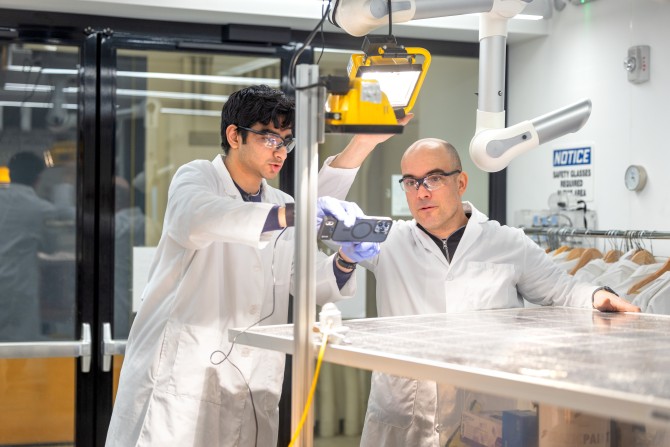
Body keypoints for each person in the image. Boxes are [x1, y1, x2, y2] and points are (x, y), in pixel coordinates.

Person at [105, 85, 395, 447]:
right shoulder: (197, 177)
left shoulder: (279, 200)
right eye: (270, 138)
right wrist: (289, 214)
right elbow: (195, 219)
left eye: (286, 141)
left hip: (253, 378)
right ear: (234, 136)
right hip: (183, 377)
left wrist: (346, 259)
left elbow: (308, 280)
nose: (281, 152)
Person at [318, 137, 640, 446]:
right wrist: (363, 141)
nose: (421, 192)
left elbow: (563, 290)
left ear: (461, 183)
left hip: (485, 416)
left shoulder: (507, 242)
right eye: (411, 182)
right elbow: (316, 215)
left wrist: (596, 295)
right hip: (403, 415)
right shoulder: (388, 241)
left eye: (434, 179)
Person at [0, 151, 57, 341]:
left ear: (10, 174)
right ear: (38, 179)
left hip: (15, 289)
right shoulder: (40, 209)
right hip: (18, 288)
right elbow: (50, 246)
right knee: (20, 346)